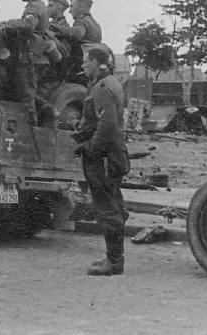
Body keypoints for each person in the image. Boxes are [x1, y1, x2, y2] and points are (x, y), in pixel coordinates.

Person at [73, 47, 130, 276]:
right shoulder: (109, 83)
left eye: (86, 62)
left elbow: (106, 125)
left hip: (103, 157)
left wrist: (90, 148)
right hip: (111, 154)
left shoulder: (103, 88)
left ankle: (114, 262)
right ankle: (113, 257)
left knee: (107, 207)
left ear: (97, 62)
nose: (83, 66)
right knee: (112, 203)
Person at [4, 0, 50, 124]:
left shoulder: (35, 7)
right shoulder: (37, 5)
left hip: (31, 58)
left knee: (26, 96)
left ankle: (32, 130)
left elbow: (29, 24)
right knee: (26, 93)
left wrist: (9, 23)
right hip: (32, 56)